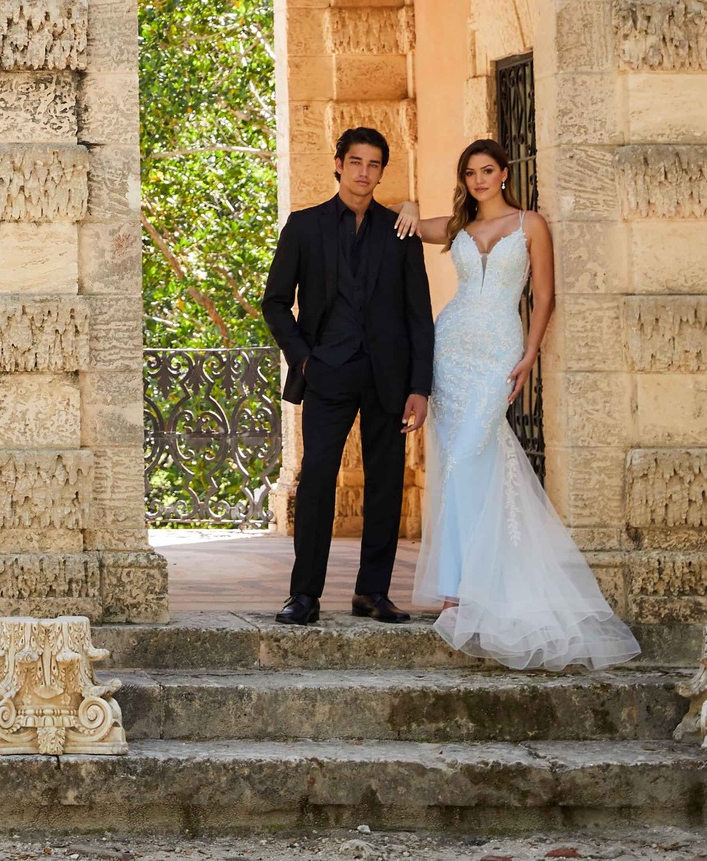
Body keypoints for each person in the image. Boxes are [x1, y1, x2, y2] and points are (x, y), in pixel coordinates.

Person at [393, 141, 639, 670]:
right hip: (452, 347)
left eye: (487, 171)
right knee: (455, 462)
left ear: (504, 174)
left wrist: (529, 356)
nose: (479, 180)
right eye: (470, 173)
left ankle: (482, 579)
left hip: (499, 349)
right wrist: (410, 205)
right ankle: (457, 588)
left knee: (470, 454)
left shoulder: (531, 225)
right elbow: (392, 216)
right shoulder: (458, 227)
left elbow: (545, 296)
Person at [260, 126, 433, 626]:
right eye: (356, 162)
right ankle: (304, 595)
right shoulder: (304, 226)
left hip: (389, 379)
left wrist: (419, 387)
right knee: (317, 481)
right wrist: (305, 359)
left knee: (385, 483)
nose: (364, 172)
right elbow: (275, 303)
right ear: (338, 164)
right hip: (327, 375)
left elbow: (418, 315)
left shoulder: (398, 230)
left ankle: (372, 593)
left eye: (374, 164)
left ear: (382, 171)